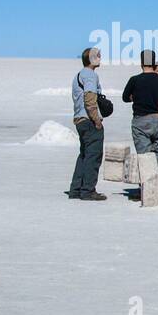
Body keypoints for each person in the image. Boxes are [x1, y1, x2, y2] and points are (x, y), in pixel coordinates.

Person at [67, 47, 107, 201]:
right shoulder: (90, 75)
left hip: (79, 119)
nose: (100, 58)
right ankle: (88, 190)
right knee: (93, 155)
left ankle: (76, 189)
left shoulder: (78, 75)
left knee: (84, 155)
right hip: (89, 121)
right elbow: (89, 98)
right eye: (98, 56)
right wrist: (96, 119)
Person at [122, 49, 158, 168]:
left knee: (145, 157)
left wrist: (134, 97)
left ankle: (146, 181)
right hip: (157, 119)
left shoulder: (134, 80)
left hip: (140, 120)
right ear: (153, 63)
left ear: (141, 63)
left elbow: (125, 97)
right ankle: (156, 181)